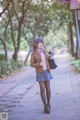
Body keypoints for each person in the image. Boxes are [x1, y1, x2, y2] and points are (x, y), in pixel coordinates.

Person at [30, 37, 53, 114]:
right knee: (42, 89)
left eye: (41, 43)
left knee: (48, 88)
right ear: (35, 44)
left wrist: (44, 51)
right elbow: (31, 64)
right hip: (39, 72)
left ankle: (48, 103)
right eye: (39, 43)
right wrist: (38, 64)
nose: (40, 44)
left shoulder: (44, 51)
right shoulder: (33, 54)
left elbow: (50, 57)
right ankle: (45, 106)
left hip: (47, 71)